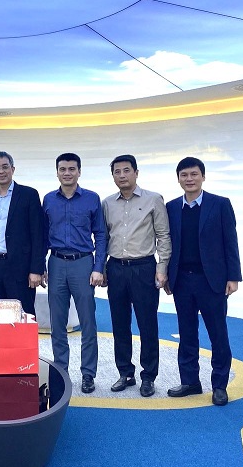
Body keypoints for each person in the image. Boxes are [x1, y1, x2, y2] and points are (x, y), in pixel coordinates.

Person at [165, 156, 242, 406]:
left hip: (212, 281)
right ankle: (190, 382)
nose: (189, 179)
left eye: (194, 174)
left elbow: (231, 241)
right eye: (184, 175)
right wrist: (166, 274)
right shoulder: (171, 207)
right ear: (178, 179)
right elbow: (167, 244)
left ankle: (219, 385)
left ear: (203, 177)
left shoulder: (220, 204)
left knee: (218, 334)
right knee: (187, 333)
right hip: (182, 281)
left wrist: (233, 276)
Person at [102, 155, 171, 397]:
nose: (122, 175)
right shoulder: (107, 203)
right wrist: (102, 268)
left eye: (126, 170)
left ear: (136, 173)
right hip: (116, 268)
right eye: (117, 172)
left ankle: (148, 376)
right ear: (113, 176)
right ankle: (125, 373)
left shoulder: (154, 199)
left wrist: (162, 267)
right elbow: (103, 238)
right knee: (119, 324)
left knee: (147, 324)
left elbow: (163, 235)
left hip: (144, 268)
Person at [43, 153, 107, 394]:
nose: (67, 173)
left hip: (83, 263)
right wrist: (40, 265)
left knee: (88, 322)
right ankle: (61, 371)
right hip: (56, 263)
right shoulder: (48, 199)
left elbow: (101, 235)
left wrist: (98, 267)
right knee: (57, 322)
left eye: (72, 169)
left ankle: (88, 374)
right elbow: (42, 235)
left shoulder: (91, 199)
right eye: (63, 169)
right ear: (57, 172)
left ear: (79, 171)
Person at [0, 151, 45, 316]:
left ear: (12, 169)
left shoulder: (29, 195)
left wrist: (36, 270)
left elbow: (38, 234)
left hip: (21, 269)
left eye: (5, 167)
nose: (1, 171)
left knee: (22, 316)